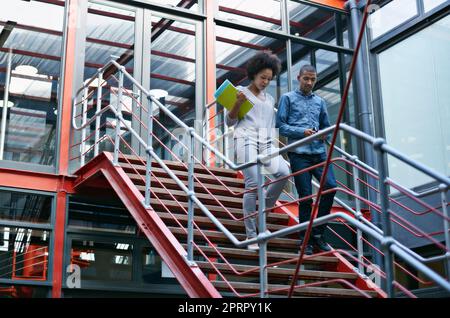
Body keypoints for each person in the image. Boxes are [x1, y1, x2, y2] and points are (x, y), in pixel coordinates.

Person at [226, 51, 290, 251]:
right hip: (245, 139)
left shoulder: (269, 99)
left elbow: (271, 125)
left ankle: (262, 213)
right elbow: (229, 121)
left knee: (283, 173)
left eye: (269, 79)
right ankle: (252, 234)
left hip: (266, 142)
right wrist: (237, 103)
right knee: (253, 183)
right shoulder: (239, 92)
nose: (265, 82)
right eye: (263, 77)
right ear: (253, 74)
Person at [276, 65, 337, 255]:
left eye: (313, 79)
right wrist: (302, 132)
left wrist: (323, 135)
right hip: (299, 154)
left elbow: (326, 127)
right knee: (305, 197)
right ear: (298, 78)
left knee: (331, 187)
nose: (309, 83)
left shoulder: (320, 101)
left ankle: (318, 233)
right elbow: (280, 125)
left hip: (318, 153)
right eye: (306, 79)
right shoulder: (287, 98)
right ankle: (306, 240)